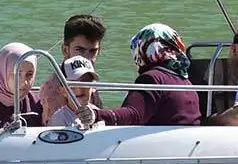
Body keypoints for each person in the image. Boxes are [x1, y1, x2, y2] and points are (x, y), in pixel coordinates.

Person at [67, 23, 201, 127]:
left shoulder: (153, 79)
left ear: (144, 49)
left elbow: (134, 114)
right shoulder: (185, 81)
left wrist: (96, 115)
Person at [40, 14, 107, 110]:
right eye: (80, 50)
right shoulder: (52, 90)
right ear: (65, 50)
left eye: (93, 51)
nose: (87, 58)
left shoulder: (91, 78)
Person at [44, 55, 100, 127]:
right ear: (62, 90)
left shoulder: (99, 114)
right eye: (73, 83)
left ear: (94, 87)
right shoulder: (59, 119)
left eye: (86, 81)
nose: (80, 88)